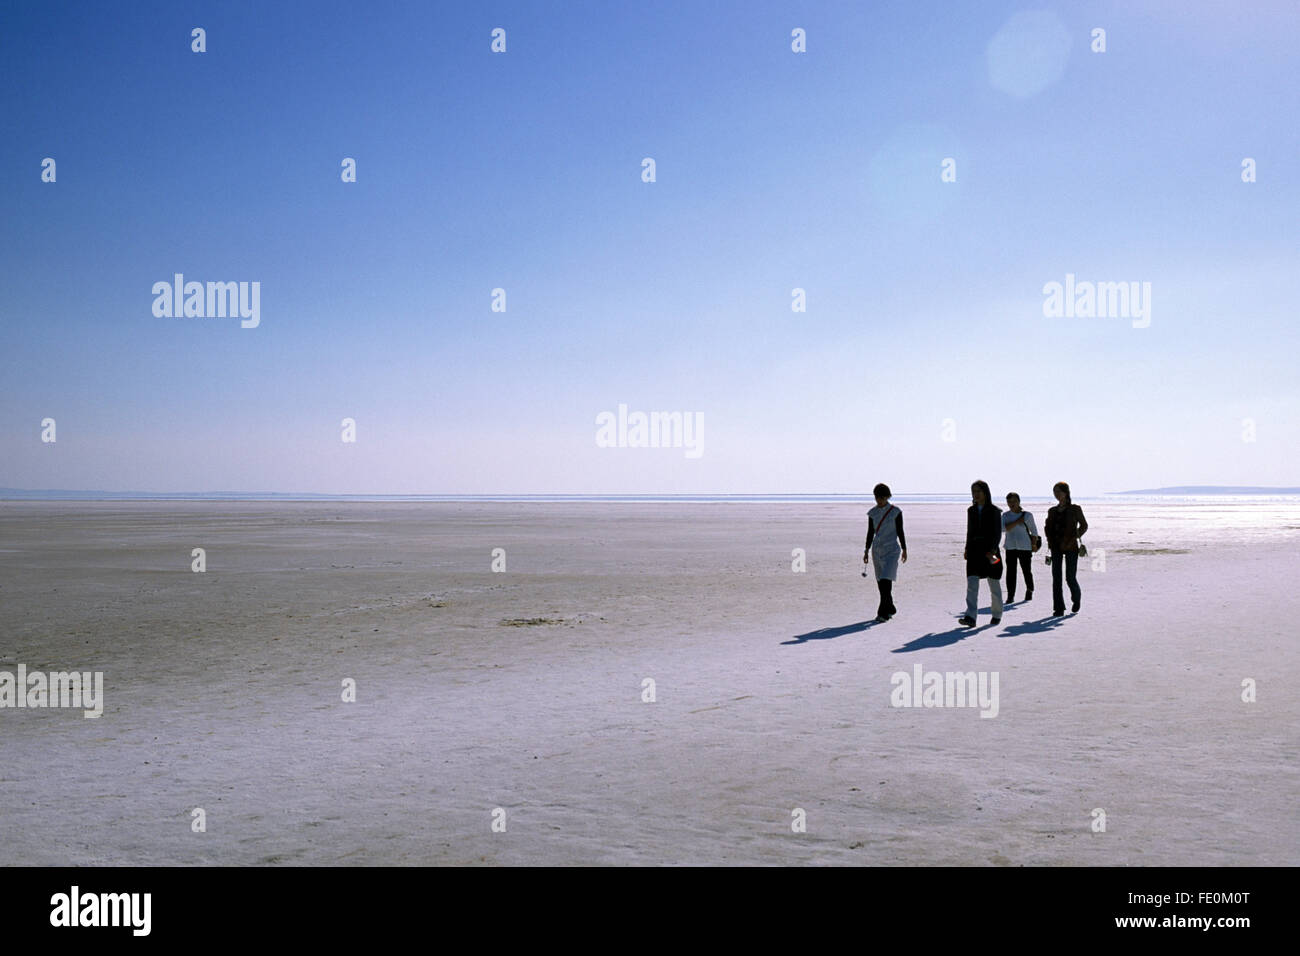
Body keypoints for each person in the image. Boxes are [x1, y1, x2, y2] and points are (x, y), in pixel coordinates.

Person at [959, 480, 1003, 627]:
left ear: (985, 492)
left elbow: (997, 533)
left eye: (978, 491)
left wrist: (992, 551)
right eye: (974, 492)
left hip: (990, 551)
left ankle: (997, 614)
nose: (976, 494)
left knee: (994, 583)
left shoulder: (994, 511)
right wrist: (966, 548)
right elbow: (969, 531)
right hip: (974, 551)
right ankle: (971, 616)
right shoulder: (971, 510)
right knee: (972, 584)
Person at [863, 483, 907, 622]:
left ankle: (882, 612)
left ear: (887, 496)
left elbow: (900, 531)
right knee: (881, 582)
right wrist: (866, 550)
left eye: (881, 497)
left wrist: (905, 549)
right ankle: (890, 607)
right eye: (877, 497)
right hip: (877, 550)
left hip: (892, 549)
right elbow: (870, 532)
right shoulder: (872, 513)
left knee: (886, 579)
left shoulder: (895, 512)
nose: (879, 500)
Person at [1044, 481, 1089, 616]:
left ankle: (1076, 599)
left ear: (1066, 492)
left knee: (1070, 577)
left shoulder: (1075, 509)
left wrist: (1075, 536)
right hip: (1056, 547)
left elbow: (1084, 525)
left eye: (1059, 491)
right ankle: (1059, 608)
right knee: (1056, 578)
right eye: (1055, 492)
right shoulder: (1052, 510)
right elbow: (1047, 528)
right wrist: (1049, 540)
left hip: (1071, 546)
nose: (1057, 494)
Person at [1001, 492, 1038, 603]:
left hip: (1025, 547)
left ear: (1019, 501)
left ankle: (1030, 590)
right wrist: (1017, 522)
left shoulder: (1027, 515)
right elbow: (1003, 529)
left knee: (1026, 570)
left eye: (1014, 501)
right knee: (1010, 572)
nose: (1012, 504)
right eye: (1009, 502)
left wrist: (1034, 544)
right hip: (1010, 547)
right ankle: (1010, 595)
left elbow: (1034, 531)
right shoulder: (1005, 516)